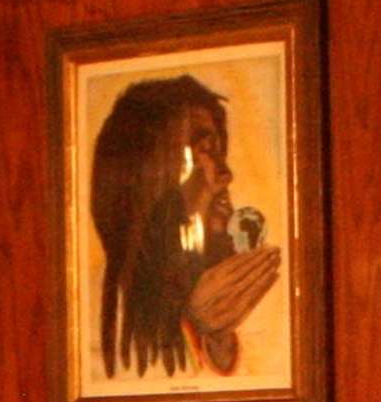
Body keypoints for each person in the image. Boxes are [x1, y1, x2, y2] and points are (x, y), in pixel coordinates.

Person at [87, 74, 280, 383]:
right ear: (151, 180)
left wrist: (217, 337)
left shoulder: (206, 285)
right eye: (204, 151)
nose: (225, 174)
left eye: (220, 152)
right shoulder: (94, 326)